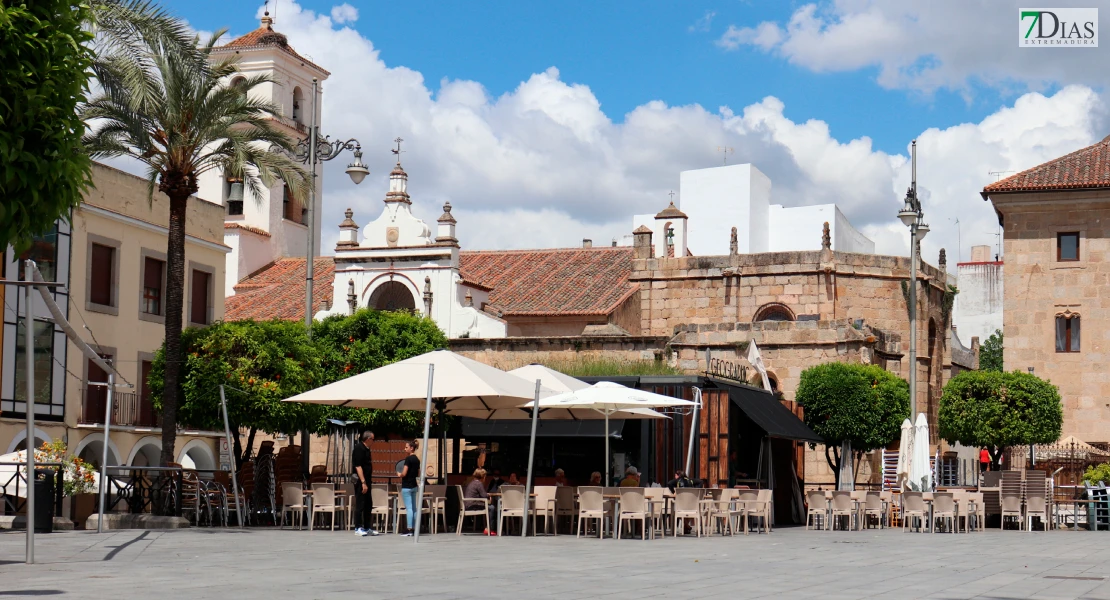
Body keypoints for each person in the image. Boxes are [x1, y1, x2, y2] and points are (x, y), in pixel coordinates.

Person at [351, 431, 379, 536]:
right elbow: (358, 466)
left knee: (368, 504)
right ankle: (358, 527)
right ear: (368, 439)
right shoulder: (359, 448)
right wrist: (363, 482)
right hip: (361, 481)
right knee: (360, 504)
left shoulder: (367, 449)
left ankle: (367, 527)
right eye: (373, 439)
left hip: (367, 480)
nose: (374, 441)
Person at [397, 439, 421, 536]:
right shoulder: (417, 460)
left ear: (411, 448)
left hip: (407, 486)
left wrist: (399, 474)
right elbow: (418, 473)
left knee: (409, 508)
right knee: (414, 508)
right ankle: (415, 528)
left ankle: (409, 528)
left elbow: (404, 473)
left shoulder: (408, 459)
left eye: (406, 447)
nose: (404, 449)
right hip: (414, 485)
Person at [463, 468, 496, 536]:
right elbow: (484, 495)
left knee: (488, 507)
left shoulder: (472, 482)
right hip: (472, 505)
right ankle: (490, 529)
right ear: (483, 476)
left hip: (468, 504)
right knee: (492, 508)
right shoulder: (479, 483)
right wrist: (489, 495)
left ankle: (487, 527)